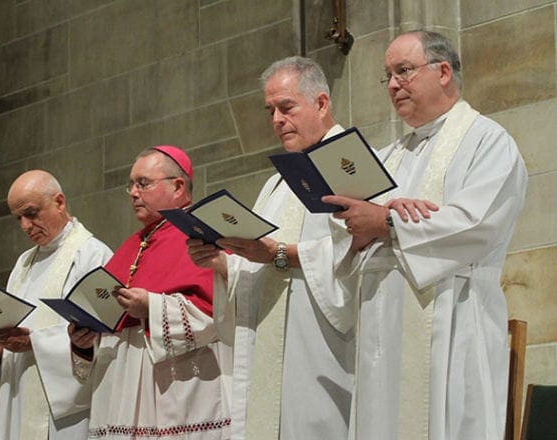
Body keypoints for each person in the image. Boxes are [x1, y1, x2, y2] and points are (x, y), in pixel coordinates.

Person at [322, 30, 528, 439]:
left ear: (444, 72)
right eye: (388, 76)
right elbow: (350, 223)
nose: (394, 84)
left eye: (404, 71)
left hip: (454, 322)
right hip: (383, 326)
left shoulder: (487, 142)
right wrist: (361, 224)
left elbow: (476, 223)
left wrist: (388, 223)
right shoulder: (389, 155)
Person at [187, 56, 357, 439]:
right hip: (274, 352)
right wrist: (222, 262)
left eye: (286, 107)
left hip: (321, 348)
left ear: (322, 103)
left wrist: (283, 254)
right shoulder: (277, 184)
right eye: (271, 111)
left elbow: (363, 257)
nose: (277, 120)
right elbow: (260, 263)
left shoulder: (350, 163)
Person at [68, 146, 232, 439]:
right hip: (122, 392)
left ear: (178, 186)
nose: (133, 192)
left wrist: (152, 307)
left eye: (143, 183)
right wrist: (85, 339)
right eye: (130, 184)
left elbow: (217, 314)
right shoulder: (133, 244)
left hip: (177, 390)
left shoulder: (202, 235)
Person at [0, 170, 113, 440]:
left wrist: (34, 343)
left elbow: (106, 336)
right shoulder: (23, 264)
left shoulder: (93, 255)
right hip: (19, 399)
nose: (25, 226)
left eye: (31, 213)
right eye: (19, 218)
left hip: (67, 413)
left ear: (59, 202)